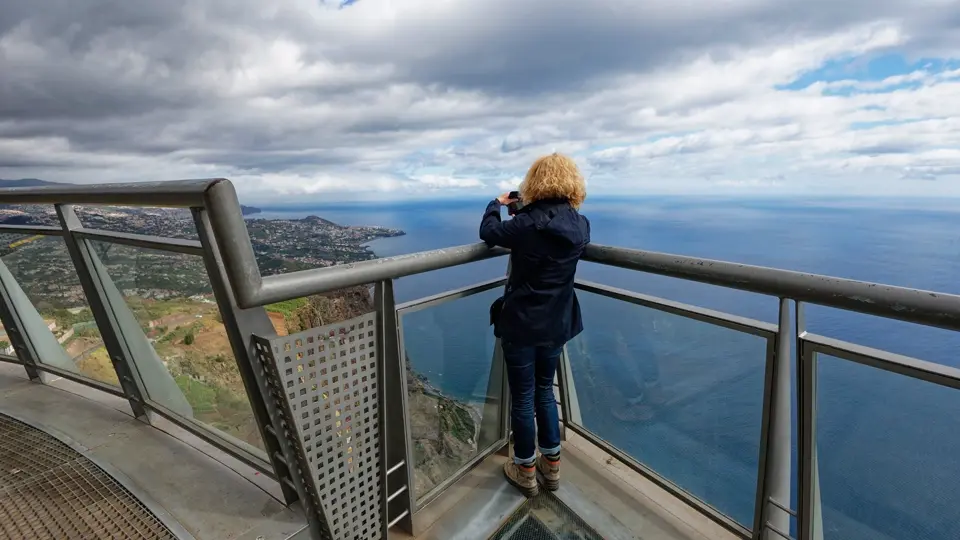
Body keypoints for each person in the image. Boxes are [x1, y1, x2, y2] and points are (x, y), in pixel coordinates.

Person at [479, 153, 590, 497]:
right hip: (556, 323)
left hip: (522, 324)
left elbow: (489, 232)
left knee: (523, 397)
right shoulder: (580, 224)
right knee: (545, 390)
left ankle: (525, 469)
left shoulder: (526, 225)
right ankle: (551, 466)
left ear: (535, 183)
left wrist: (495, 203)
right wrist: (525, 212)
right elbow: (546, 229)